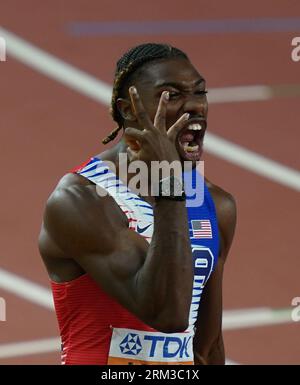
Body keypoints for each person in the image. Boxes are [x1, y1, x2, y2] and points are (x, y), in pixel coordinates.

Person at [38, 43, 236, 365]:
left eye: (200, 93)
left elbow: (206, 348)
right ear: (128, 108)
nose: (195, 107)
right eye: (171, 95)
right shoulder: (80, 201)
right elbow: (167, 314)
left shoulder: (215, 205)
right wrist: (169, 184)